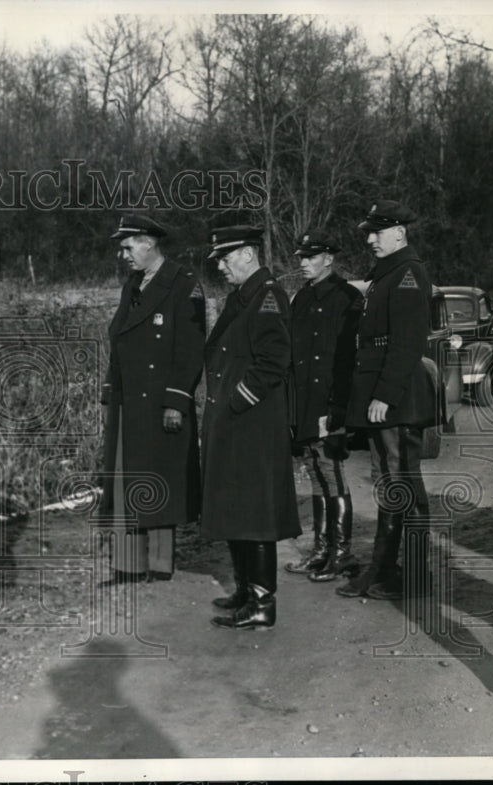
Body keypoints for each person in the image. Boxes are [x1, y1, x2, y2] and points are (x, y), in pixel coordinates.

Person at [99, 214, 206, 584]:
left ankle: (159, 564)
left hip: (162, 401)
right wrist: (110, 391)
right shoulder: (133, 283)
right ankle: (129, 565)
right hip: (130, 400)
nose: (122, 254)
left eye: (128, 246)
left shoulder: (183, 283)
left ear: (149, 243)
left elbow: (191, 349)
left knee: (162, 480)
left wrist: (177, 400)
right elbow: (120, 337)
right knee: (127, 479)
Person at [202, 225, 300, 630]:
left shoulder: (268, 295)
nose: (221, 266)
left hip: (253, 425)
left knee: (254, 514)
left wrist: (236, 401)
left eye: (226, 258)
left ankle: (262, 602)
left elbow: (274, 359)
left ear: (247, 253)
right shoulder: (244, 297)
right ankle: (246, 590)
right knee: (237, 509)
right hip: (235, 424)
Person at [336, 201, 434, 600]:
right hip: (382, 394)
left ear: (400, 233)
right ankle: (383, 571)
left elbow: (408, 341)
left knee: (403, 485)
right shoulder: (387, 274)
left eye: (378, 232)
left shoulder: (408, 273)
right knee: (388, 485)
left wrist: (384, 395)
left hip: (396, 398)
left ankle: (411, 577)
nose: (370, 239)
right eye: (368, 232)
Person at [285, 230, 363, 582]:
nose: (302, 263)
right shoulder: (300, 299)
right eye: (301, 257)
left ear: (328, 258)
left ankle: (342, 553)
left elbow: (347, 360)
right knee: (314, 473)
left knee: (331, 471)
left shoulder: (347, 297)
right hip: (304, 402)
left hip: (330, 402)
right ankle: (320, 551)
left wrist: (338, 407)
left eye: (310, 257)